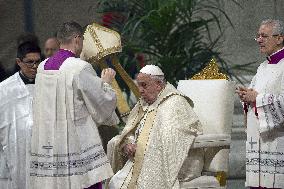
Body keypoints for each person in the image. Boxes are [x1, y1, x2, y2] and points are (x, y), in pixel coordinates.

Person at [29, 21, 119, 189]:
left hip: (50, 145)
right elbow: (101, 101)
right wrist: (105, 82)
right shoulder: (79, 67)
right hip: (75, 144)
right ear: (77, 39)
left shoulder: (42, 67)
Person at [108, 65, 202, 189]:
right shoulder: (144, 103)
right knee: (116, 182)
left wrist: (143, 146)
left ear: (158, 84)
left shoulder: (175, 103)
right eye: (139, 85)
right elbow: (131, 131)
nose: (140, 90)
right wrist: (128, 144)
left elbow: (176, 138)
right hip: (140, 161)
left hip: (173, 165)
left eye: (144, 85)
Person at [236, 19, 284, 189]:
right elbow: (255, 97)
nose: (259, 40)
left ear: (279, 38)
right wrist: (246, 98)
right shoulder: (262, 67)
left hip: (277, 141)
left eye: (264, 36)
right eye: (258, 36)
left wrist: (256, 99)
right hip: (259, 141)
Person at [0, 42, 41, 189]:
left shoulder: (49, 84)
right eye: (30, 62)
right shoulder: (4, 90)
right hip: (15, 154)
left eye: (38, 61)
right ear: (18, 62)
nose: (35, 66)